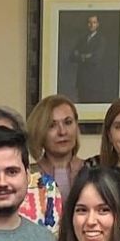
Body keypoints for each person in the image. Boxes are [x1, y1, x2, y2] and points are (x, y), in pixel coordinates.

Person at [25, 95, 84, 227]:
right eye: (52, 125)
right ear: (39, 131)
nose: (62, 132)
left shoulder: (91, 170)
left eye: (68, 122)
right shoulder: (28, 176)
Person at [69, 14, 114, 103]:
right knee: (82, 102)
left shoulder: (101, 40)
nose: (91, 25)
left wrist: (80, 55)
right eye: (89, 23)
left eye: (94, 22)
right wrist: (86, 56)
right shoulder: (82, 39)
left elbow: (96, 58)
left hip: (94, 80)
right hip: (82, 79)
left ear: (97, 24)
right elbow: (72, 57)